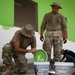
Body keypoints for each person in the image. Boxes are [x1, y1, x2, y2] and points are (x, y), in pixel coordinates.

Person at [40, 2, 67, 70]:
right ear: (52, 7)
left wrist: (65, 36)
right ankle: (47, 66)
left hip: (58, 34)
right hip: (48, 34)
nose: (56, 9)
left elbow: (64, 27)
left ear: (59, 9)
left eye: (57, 8)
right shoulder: (47, 15)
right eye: (54, 8)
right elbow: (43, 25)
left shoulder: (61, 16)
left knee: (58, 51)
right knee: (47, 50)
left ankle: (56, 66)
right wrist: (41, 34)